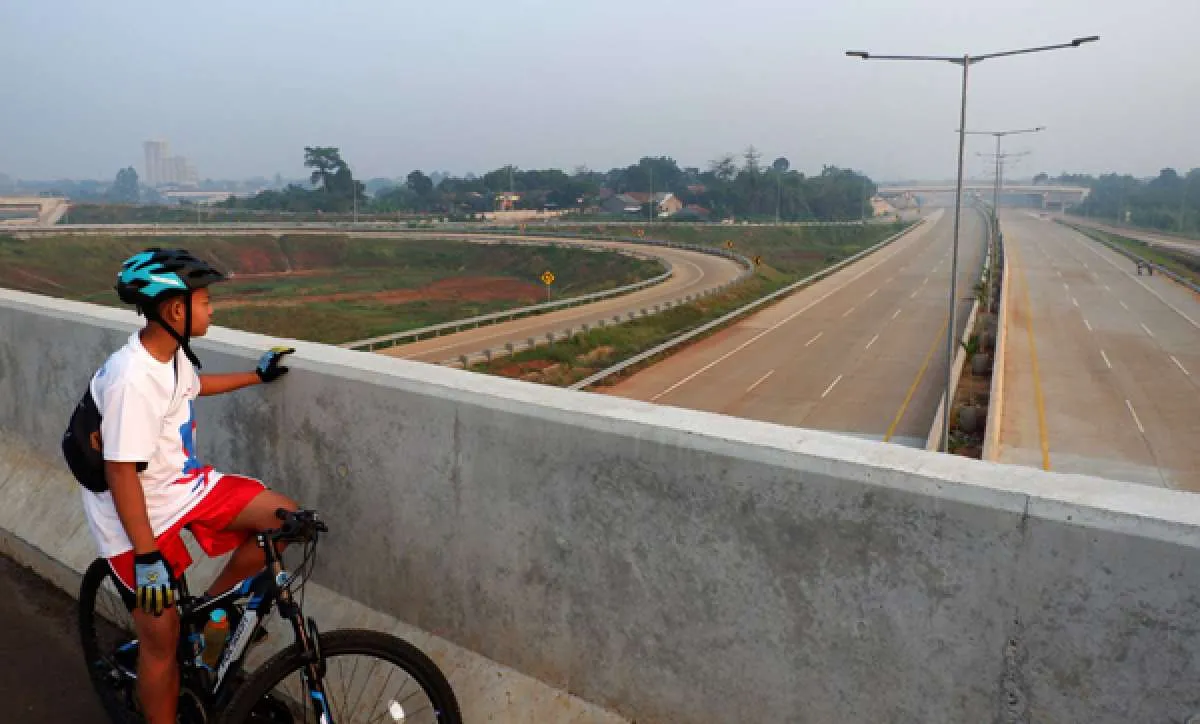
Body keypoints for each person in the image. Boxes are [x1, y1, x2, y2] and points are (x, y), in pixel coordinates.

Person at [82, 247, 298, 723]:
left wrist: (255, 375)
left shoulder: (170, 355)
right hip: (132, 512)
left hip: (182, 486)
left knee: (284, 519)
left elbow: (196, 387)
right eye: (204, 301)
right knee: (160, 640)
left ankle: (205, 620)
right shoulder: (132, 380)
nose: (211, 309)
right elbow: (120, 474)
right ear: (176, 310)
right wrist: (146, 558)